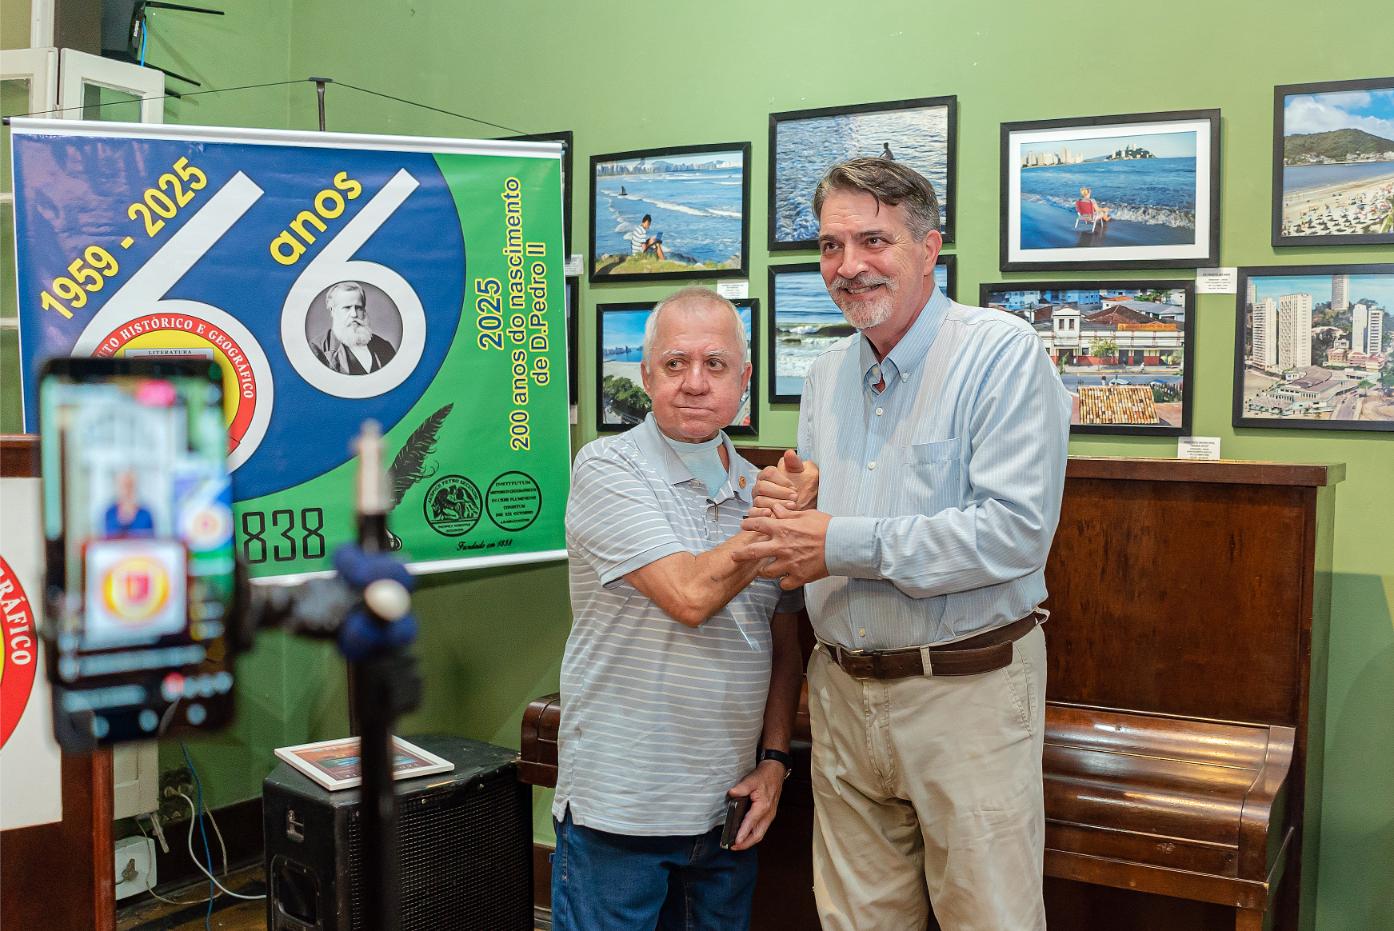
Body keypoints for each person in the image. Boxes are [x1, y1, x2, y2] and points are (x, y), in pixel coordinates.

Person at [737, 157, 1071, 930]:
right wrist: (792, 500)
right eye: (830, 245)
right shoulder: (825, 374)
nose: (848, 265)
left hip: (968, 694)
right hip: (841, 694)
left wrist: (836, 541)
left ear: (929, 249)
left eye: (873, 240)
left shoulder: (1001, 352)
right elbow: (820, 516)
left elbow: (1015, 532)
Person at [552, 286, 803, 930]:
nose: (695, 383)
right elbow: (689, 596)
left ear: (744, 380)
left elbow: (784, 646)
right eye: (675, 363)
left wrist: (775, 761)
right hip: (621, 808)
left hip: (727, 809)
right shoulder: (607, 468)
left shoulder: (760, 489)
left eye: (715, 364)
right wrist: (772, 523)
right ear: (646, 376)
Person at [311, 281, 397, 374]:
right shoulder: (317, 349)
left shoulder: (384, 346)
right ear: (333, 311)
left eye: (358, 307)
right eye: (347, 307)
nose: (354, 314)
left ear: (364, 310)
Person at [102, 469, 154, 537]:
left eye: (130, 485)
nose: (126, 489)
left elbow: (151, 539)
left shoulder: (146, 514)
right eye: (123, 485)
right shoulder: (109, 513)